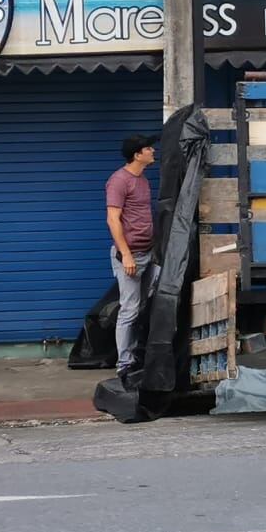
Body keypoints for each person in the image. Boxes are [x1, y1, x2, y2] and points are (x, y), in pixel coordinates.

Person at [105, 134, 158, 382]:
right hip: (130, 256)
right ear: (138, 155)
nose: (153, 151)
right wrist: (126, 255)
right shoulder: (119, 181)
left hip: (148, 253)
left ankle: (137, 356)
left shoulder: (143, 180)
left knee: (143, 307)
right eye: (149, 148)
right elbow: (113, 220)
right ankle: (123, 365)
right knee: (129, 309)